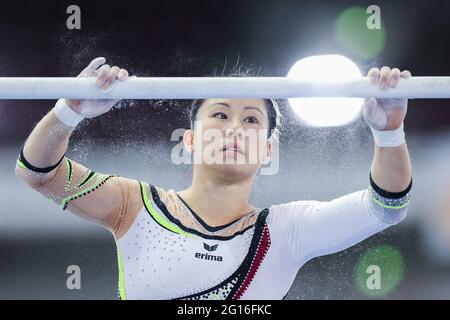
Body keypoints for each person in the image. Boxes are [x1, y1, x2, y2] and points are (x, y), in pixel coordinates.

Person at [15, 57, 412, 300]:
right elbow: (37, 172)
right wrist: (69, 112)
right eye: (220, 115)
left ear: (267, 150)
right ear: (189, 139)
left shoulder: (287, 231)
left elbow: (387, 206)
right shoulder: (133, 206)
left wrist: (389, 132)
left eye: (252, 120)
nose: (236, 129)